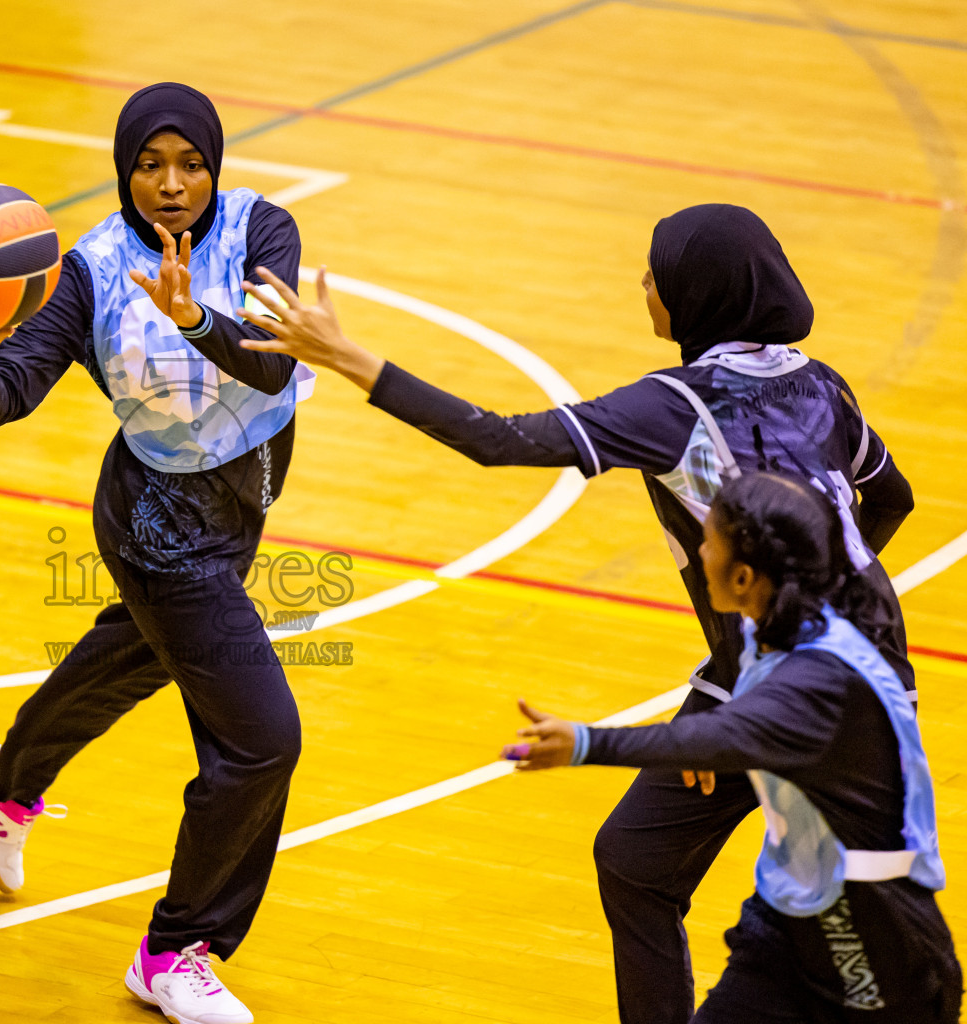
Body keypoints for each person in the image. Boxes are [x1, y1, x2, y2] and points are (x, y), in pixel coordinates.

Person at [233, 204, 917, 1023]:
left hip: (824, 705)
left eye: (655, 275)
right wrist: (767, 656)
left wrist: (349, 358)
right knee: (637, 859)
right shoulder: (820, 384)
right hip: (835, 667)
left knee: (849, 949)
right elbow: (893, 498)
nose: (643, 284)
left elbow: (498, 439)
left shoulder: (673, 409)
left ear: (698, 296)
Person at [0, 81, 315, 1024]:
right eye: (149, 165)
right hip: (155, 523)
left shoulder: (264, 231)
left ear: (215, 165)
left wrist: (196, 318)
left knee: (137, 653)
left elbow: (273, 362)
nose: (171, 183)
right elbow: (6, 395)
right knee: (262, 738)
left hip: (244, 498)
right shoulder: (90, 272)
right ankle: (177, 949)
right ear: (123, 173)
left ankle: (7, 779)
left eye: (189, 163)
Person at [501, 472, 959, 1022]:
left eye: (709, 542)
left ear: (743, 576)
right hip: (786, 928)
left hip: (875, 947)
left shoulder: (822, 678)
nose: (698, 550)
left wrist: (583, 742)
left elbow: (729, 732)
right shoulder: (776, 629)